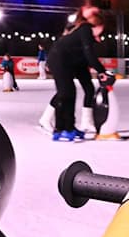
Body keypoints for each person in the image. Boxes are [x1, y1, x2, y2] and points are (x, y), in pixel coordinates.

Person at [46, 9, 114, 142]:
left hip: (64, 61)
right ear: (98, 26)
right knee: (66, 93)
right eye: (102, 30)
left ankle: (68, 126)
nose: (101, 34)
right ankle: (62, 129)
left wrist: (100, 70)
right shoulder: (85, 29)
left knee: (69, 93)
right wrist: (102, 71)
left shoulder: (84, 32)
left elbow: (86, 56)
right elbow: (89, 54)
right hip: (59, 60)